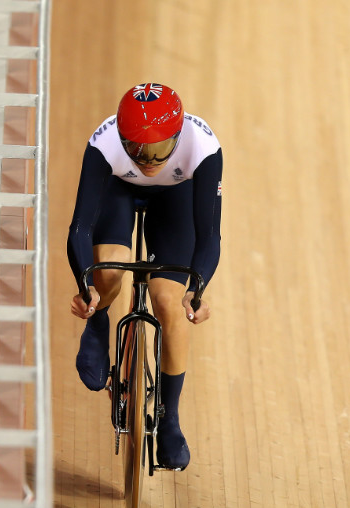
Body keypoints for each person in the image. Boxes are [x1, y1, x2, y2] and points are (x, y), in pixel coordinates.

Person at [67, 83, 222, 470]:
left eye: (156, 150)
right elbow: (81, 228)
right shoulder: (103, 143)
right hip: (119, 191)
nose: (147, 160)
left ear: (178, 135)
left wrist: (198, 288)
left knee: (170, 302)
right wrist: (85, 287)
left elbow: (209, 235)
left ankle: (169, 418)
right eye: (135, 149)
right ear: (121, 136)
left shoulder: (203, 147)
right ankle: (100, 323)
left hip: (177, 197)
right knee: (111, 265)